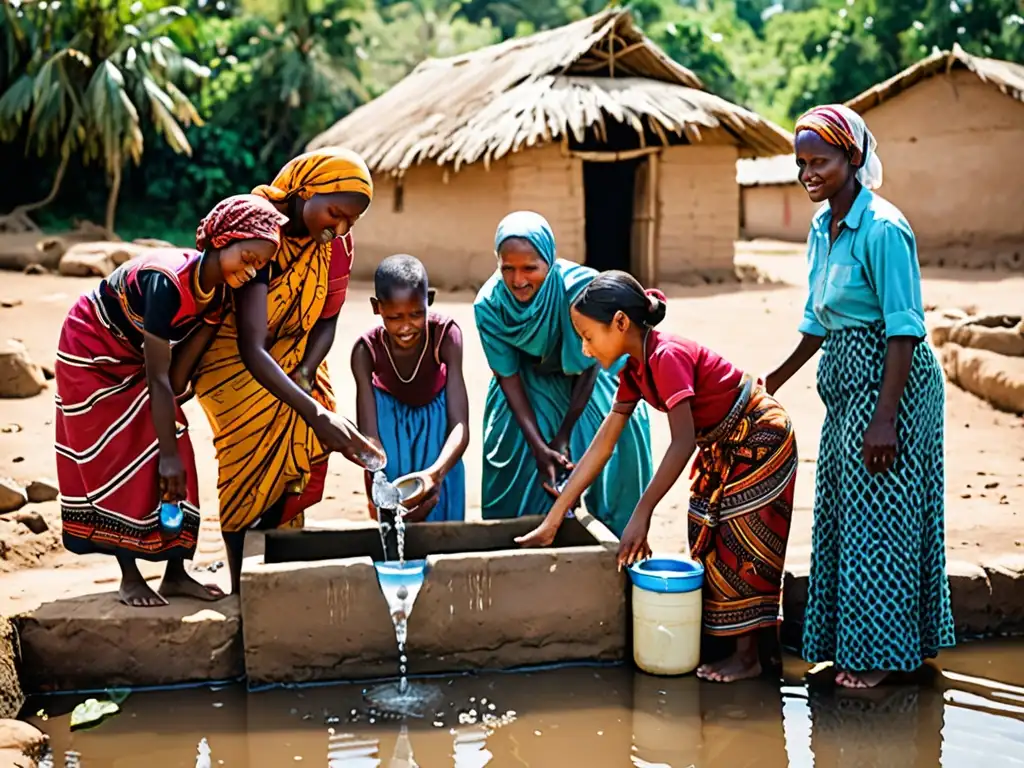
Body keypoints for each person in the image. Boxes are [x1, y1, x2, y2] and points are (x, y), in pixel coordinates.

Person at [517, 271, 798, 683]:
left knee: (742, 541)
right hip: (723, 441)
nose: (585, 348)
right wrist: (555, 516)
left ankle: (749, 657)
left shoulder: (665, 357)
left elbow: (681, 442)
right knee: (706, 530)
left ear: (619, 323)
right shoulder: (634, 371)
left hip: (760, 436)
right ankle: (736, 645)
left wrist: (642, 513)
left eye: (588, 336)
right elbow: (602, 444)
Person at [764, 104, 954, 689]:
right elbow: (820, 323)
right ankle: (853, 645)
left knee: (885, 522)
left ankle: (880, 657)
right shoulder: (823, 229)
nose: (808, 174)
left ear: (852, 157)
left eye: (819, 161)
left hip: (893, 390)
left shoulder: (884, 229)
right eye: (801, 163)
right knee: (847, 516)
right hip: (846, 394)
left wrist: (886, 419)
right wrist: (775, 378)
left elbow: (902, 327)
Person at [55, 195, 289, 607]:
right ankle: (129, 575)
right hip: (91, 350)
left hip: (140, 359)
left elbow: (176, 377)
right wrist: (164, 454)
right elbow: (159, 376)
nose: (251, 271)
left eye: (258, 265)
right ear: (220, 241)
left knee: (177, 444)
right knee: (123, 454)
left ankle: (176, 572)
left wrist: (170, 446)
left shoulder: (218, 297)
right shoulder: (165, 282)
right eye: (247, 257)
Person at [194, 149, 385, 591]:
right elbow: (251, 346)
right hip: (237, 366)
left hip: (294, 362)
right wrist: (314, 413)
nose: (338, 229)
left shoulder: (334, 245)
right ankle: (243, 582)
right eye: (335, 213)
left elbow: (328, 319)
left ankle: (277, 577)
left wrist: (304, 375)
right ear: (304, 190)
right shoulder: (260, 230)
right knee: (246, 471)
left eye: (350, 223)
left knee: (288, 471)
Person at [473, 211, 653, 536]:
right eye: (507, 268)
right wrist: (540, 446)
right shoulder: (489, 305)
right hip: (529, 375)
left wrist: (564, 435)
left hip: (592, 370)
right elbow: (508, 377)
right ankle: (515, 537)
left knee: (616, 438)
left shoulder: (581, 289)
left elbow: (592, 363)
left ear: (550, 261)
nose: (518, 280)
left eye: (530, 268)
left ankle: (618, 540)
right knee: (509, 451)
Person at [352, 254, 469, 522]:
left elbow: (460, 425)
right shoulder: (365, 351)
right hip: (388, 433)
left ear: (429, 299)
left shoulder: (446, 336)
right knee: (395, 519)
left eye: (416, 314)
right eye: (394, 317)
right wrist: (378, 482)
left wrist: (436, 473)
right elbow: (368, 438)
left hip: (438, 431)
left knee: (443, 520)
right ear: (376, 307)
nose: (406, 326)